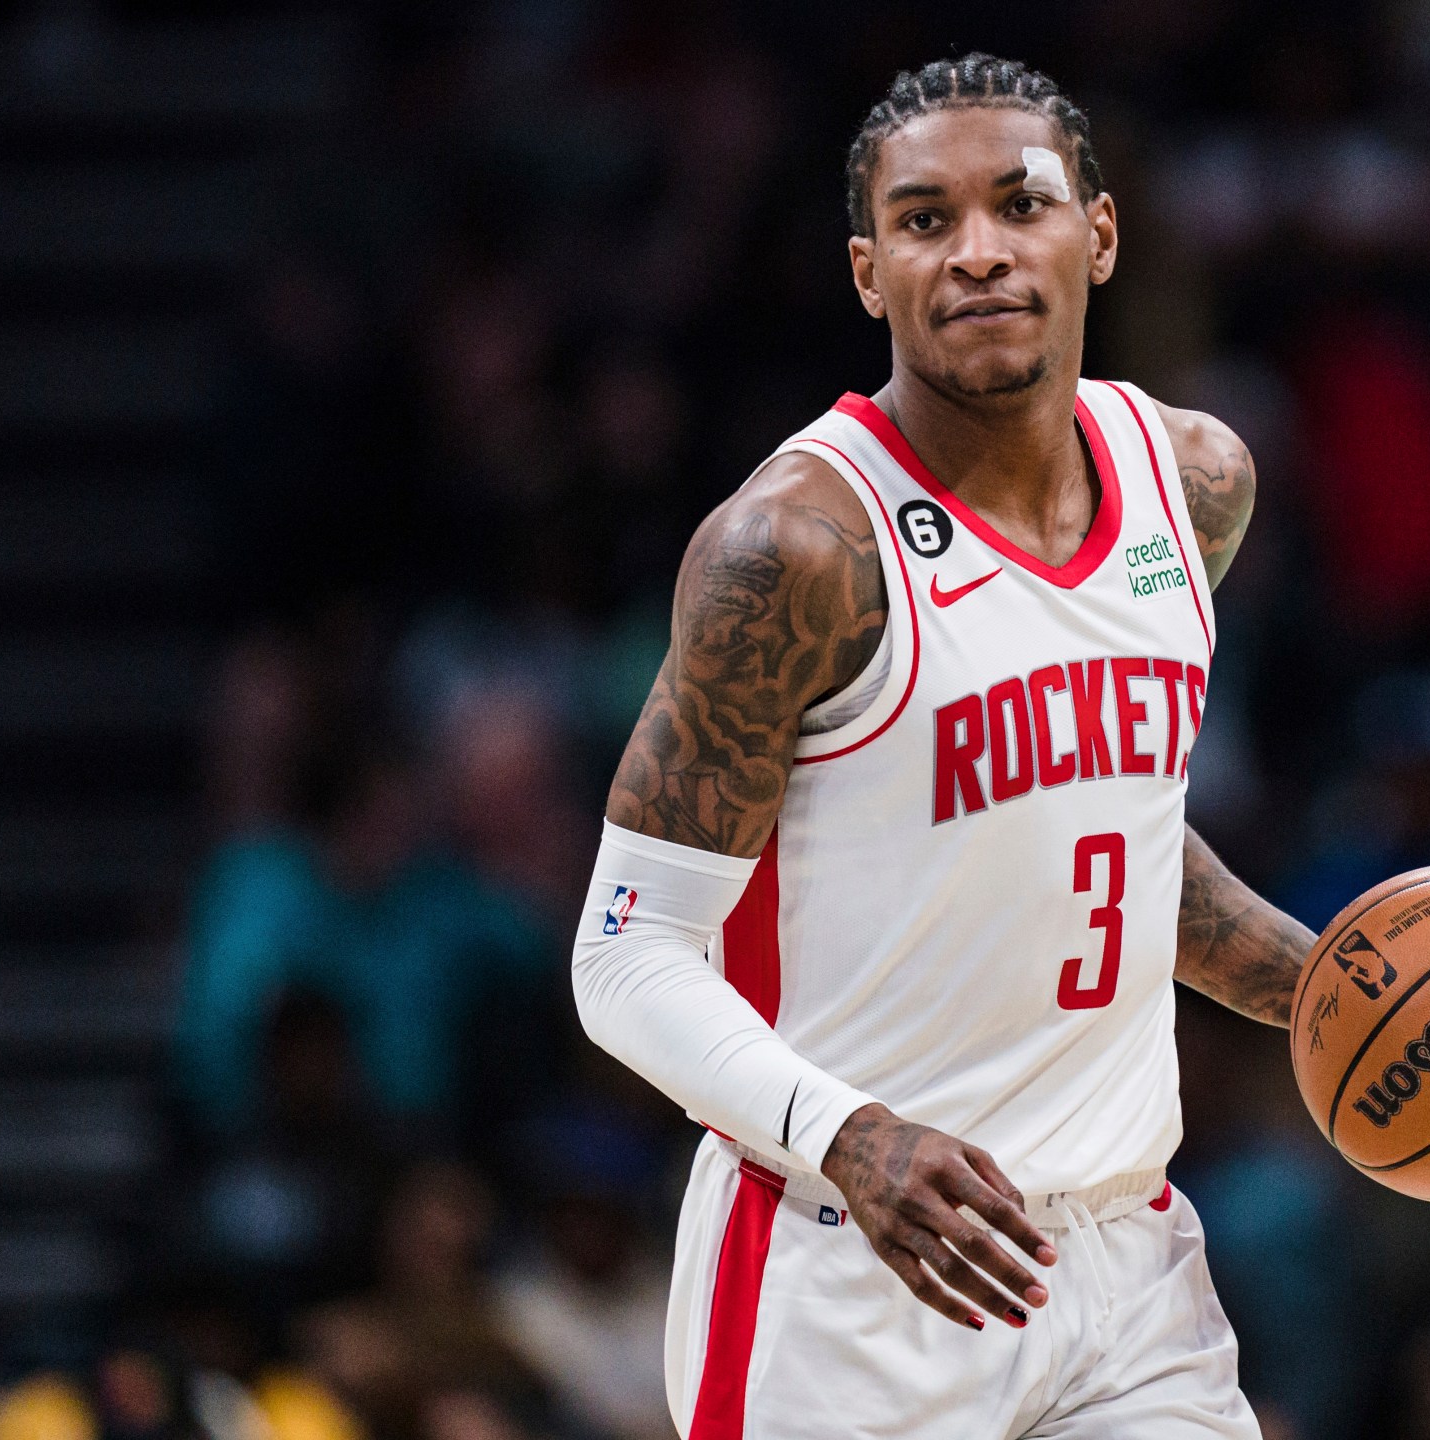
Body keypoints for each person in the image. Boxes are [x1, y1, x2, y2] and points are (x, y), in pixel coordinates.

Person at [570, 53, 1334, 1438]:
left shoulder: (1195, 484)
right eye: (925, 221)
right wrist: (849, 1137)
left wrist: (1333, 992)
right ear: (870, 273)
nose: (977, 251)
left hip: (1122, 1254)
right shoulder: (794, 551)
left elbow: (1110, 826)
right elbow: (622, 955)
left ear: (1097, 235)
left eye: (1019, 205)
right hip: (853, 1271)